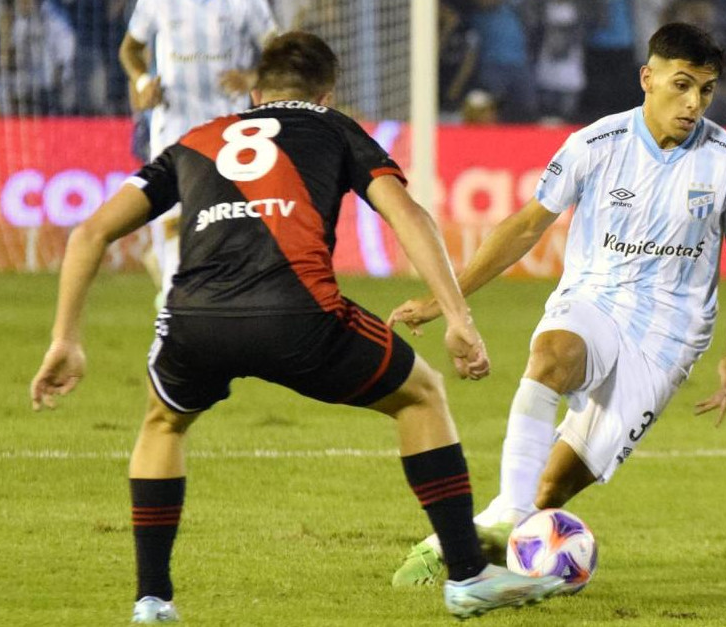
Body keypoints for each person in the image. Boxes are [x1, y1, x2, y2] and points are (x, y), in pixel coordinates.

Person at [30, 32, 565, 623]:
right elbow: (407, 213)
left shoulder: (197, 139)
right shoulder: (334, 128)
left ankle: (152, 599)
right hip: (299, 316)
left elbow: (88, 234)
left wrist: (65, 338)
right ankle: (467, 575)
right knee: (421, 395)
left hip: (196, 319)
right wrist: (458, 317)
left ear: (256, 92)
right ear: (327, 93)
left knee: (164, 422)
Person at [389, 22, 726, 586]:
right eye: (682, 85)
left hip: (669, 338)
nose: (693, 103)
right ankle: (499, 532)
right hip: (595, 299)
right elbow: (524, 227)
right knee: (552, 356)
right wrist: (444, 298)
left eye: (706, 91)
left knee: (549, 490)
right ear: (648, 77)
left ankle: (476, 535)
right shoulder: (596, 144)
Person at [119, 0, 278, 310]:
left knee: (224, 227)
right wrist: (142, 82)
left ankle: (220, 309)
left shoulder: (247, 4)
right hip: (172, 130)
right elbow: (130, 48)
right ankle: (172, 305)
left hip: (230, 136)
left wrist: (252, 77)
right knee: (171, 226)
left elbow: (279, 49)